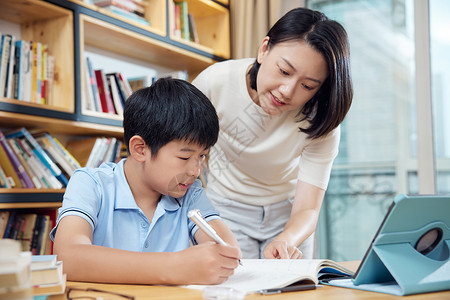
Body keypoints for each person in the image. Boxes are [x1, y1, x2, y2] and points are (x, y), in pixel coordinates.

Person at [192, 7, 353, 260]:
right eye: (284, 71)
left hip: (288, 218)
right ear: (264, 50)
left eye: (308, 85)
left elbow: (308, 209)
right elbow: (183, 155)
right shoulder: (215, 82)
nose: (288, 91)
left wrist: (286, 240)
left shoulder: (321, 120)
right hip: (224, 209)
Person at [50, 78, 241, 285]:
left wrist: (222, 256)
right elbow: (68, 258)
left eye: (202, 156)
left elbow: (227, 251)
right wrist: (174, 267)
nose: (196, 171)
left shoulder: (190, 194)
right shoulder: (90, 184)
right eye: (184, 158)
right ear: (140, 149)